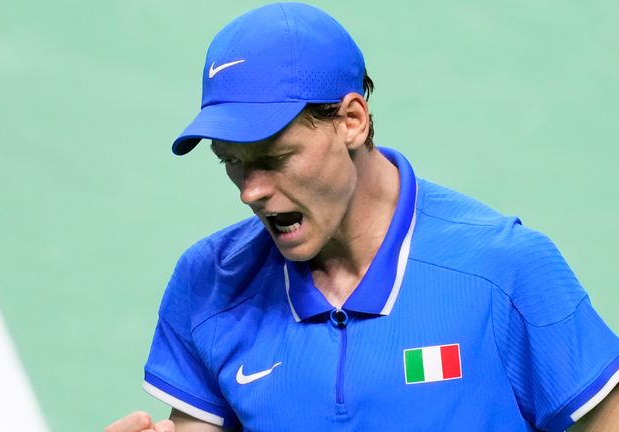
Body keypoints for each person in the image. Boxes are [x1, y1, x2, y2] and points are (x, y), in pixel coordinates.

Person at [106, 3, 619, 431]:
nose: (251, 191)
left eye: (274, 158)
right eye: (231, 162)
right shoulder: (210, 283)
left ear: (351, 121)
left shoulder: (505, 272)